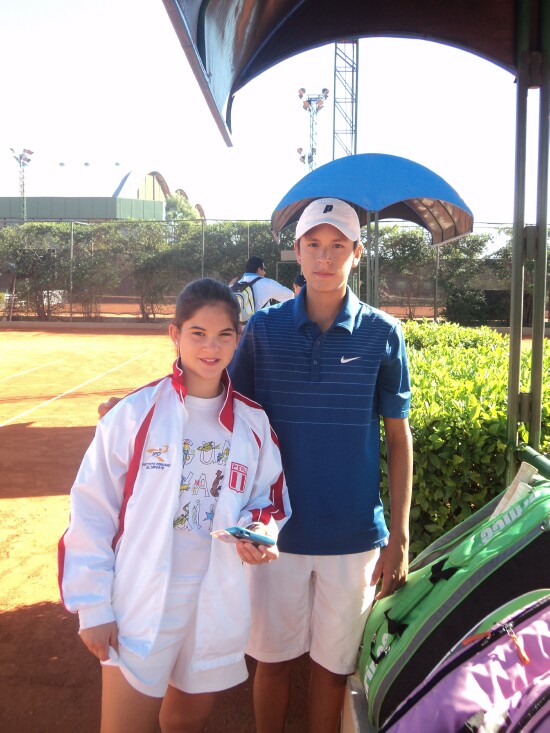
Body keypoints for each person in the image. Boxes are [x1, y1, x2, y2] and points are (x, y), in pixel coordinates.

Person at [59, 277, 291, 733]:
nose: (211, 347)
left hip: (214, 598)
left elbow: (270, 499)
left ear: (238, 339)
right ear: (175, 334)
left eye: (224, 334)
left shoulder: (253, 422)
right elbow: (91, 508)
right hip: (138, 601)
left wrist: (260, 531)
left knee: (187, 723)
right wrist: (93, 607)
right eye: (197, 334)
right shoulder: (134, 413)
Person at [229, 198, 413, 733]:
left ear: (357, 254)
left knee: (332, 672)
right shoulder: (264, 331)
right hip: (275, 535)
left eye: (337, 247)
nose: (324, 257)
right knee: (272, 662)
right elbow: (230, 415)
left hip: (354, 537)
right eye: (313, 244)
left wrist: (397, 538)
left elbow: (399, 440)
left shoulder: (383, 333)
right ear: (297, 252)